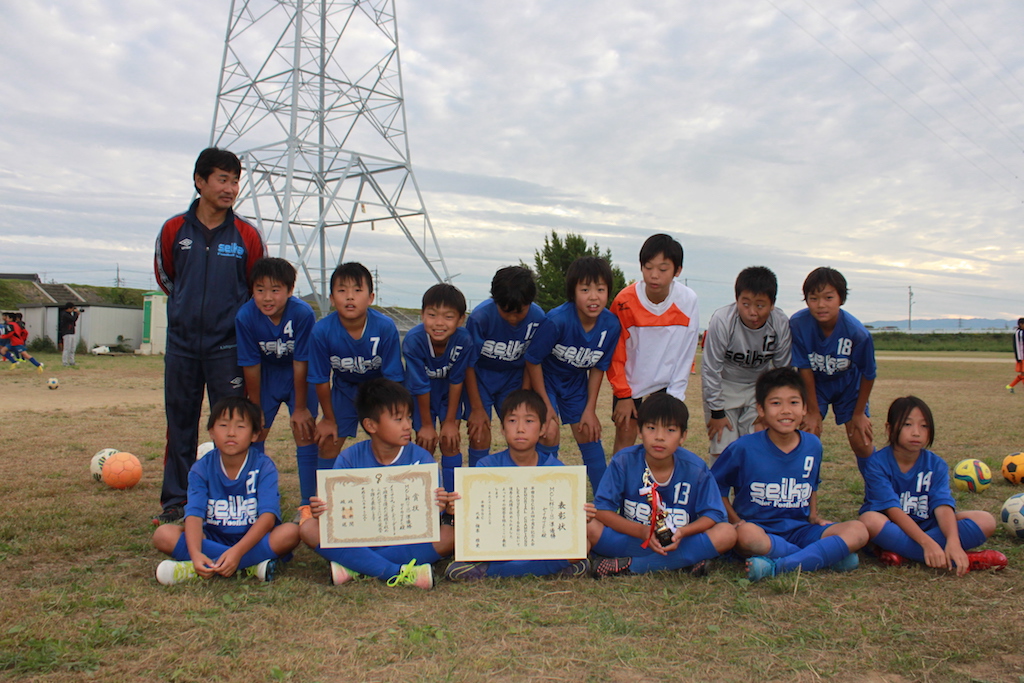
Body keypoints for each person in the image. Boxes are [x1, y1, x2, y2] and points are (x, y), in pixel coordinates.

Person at [153, 147, 267, 525]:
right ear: (200, 181)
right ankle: (177, 501)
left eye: (235, 181)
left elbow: (256, 288)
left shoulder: (247, 235)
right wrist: (186, 310)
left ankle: (234, 500)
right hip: (182, 346)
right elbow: (168, 278)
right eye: (222, 179)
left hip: (228, 347)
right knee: (180, 425)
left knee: (234, 424)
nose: (230, 188)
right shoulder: (174, 229)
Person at [711, 367, 868, 582]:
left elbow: (812, 483)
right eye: (776, 403)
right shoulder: (743, 447)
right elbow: (715, 487)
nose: (786, 410)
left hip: (801, 530)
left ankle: (778, 566)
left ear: (805, 408)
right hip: (760, 530)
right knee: (746, 536)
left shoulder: (812, 444)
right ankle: (824, 557)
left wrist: (813, 515)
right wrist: (735, 520)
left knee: (858, 530)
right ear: (761, 409)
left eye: (794, 402)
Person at [300, 379, 455, 589]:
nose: (407, 425)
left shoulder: (421, 459)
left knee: (449, 536)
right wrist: (322, 510)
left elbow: (430, 518)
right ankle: (394, 572)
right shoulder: (350, 458)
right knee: (309, 528)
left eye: (409, 417)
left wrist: (441, 505)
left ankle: (355, 566)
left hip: (404, 538)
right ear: (371, 425)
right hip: (360, 538)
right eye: (398, 419)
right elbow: (335, 511)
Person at [444, 389, 597, 581]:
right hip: (501, 541)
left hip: (538, 541)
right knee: (463, 542)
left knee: (583, 544)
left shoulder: (556, 471)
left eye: (529, 421)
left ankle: (491, 571)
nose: (520, 429)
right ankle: (546, 569)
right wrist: (457, 508)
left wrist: (580, 515)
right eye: (512, 421)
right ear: (502, 428)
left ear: (543, 429)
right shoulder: (486, 467)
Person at [151, 397, 300, 585]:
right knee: (163, 534)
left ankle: (203, 567)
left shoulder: (264, 466)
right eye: (223, 425)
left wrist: (237, 552)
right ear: (211, 432)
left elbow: (268, 517)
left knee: (291, 532)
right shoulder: (201, 468)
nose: (231, 433)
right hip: (212, 538)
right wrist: (196, 553)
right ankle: (250, 565)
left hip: (253, 539)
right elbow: (194, 515)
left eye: (240, 427)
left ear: (255, 434)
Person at [589, 392, 736, 577]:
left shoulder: (696, 468)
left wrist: (683, 532)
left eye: (670, 430)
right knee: (588, 525)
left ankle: (632, 566)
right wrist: (642, 532)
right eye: (651, 428)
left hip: (679, 542)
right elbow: (602, 509)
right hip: (634, 539)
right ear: (639, 431)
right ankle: (683, 561)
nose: (659, 437)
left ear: (683, 436)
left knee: (727, 533)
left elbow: (714, 513)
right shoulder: (624, 461)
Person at [858, 396, 1007, 575]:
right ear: (889, 429)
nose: (916, 432)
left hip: (930, 525)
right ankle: (960, 559)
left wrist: (953, 541)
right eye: (907, 424)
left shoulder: (936, 464)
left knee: (986, 520)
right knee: (869, 520)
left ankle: (905, 554)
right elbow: (892, 510)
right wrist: (927, 543)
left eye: (924, 426)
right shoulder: (877, 463)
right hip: (895, 526)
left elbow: (942, 505)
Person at [524, 256, 621, 492]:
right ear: (573, 292)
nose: (593, 297)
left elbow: (598, 367)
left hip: (576, 383)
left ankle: (605, 499)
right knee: (548, 432)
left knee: (589, 432)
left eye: (600, 289)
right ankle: (543, 493)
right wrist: (546, 404)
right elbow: (533, 361)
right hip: (546, 380)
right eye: (585, 289)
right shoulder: (557, 320)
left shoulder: (611, 325)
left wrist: (590, 409)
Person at [235, 257, 320, 518]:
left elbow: (302, 361)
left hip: (299, 378)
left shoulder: (302, 313)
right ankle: (253, 500)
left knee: (305, 433)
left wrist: (301, 407)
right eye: (260, 289)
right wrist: (256, 407)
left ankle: (307, 504)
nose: (267, 297)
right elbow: (250, 364)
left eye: (275, 290)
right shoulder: (245, 316)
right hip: (266, 378)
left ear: (290, 290)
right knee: (255, 433)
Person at [607, 234, 699, 454]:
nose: (654, 275)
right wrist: (623, 394)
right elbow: (615, 353)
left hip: (666, 386)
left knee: (662, 444)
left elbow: (686, 353)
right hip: (631, 387)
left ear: (678, 270)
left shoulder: (688, 300)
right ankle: (620, 478)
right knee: (625, 440)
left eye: (663, 269)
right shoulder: (623, 301)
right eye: (648, 267)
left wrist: (676, 396)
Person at [308, 262, 404, 462]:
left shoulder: (384, 327)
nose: (350, 297)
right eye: (342, 290)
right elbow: (321, 379)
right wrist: (328, 418)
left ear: (370, 298)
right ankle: (323, 483)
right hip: (344, 389)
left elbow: (393, 378)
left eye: (357, 290)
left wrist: (393, 415)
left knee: (391, 442)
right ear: (332, 299)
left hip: (379, 390)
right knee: (327, 444)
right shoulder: (322, 330)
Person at [789, 267, 876, 462]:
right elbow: (804, 368)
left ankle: (877, 482)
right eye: (813, 298)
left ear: (841, 299)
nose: (821, 305)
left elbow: (868, 374)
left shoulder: (857, 333)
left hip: (849, 385)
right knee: (807, 436)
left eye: (828, 298)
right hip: (816, 385)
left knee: (861, 441)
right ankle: (804, 481)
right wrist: (812, 411)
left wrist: (859, 413)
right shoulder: (798, 324)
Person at [702, 266, 791, 458]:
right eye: (746, 304)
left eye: (760, 305)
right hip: (725, 385)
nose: (752, 312)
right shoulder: (722, 320)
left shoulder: (780, 322)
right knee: (723, 450)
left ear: (772, 304)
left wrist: (773, 405)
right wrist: (717, 412)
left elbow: (783, 371)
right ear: (737, 300)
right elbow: (711, 369)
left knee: (757, 447)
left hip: (758, 388)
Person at [464, 266, 546, 465]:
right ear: (495, 300)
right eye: (506, 311)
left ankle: (521, 478)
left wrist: (523, 393)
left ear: (530, 302)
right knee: (479, 433)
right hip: (481, 378)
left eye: (519, 312)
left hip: (513, 378)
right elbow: (468, 364)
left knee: (521, 431)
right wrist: (476, 407)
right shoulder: (480, 318)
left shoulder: (538, 318)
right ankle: (479, 477)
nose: (512, 317)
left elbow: (532, 359)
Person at [402, 283, 472, 492]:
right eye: (432, 315)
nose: (439, 323)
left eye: (448, 317)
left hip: (448, 396)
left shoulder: (464, 340)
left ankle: (451, 498)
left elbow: (457, 380)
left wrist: (450, 421)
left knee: (450, 441)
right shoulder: (414, 340)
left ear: (460, 319)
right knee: (425, 443)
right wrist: (426, 424)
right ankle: (421, 496)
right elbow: (419, 385)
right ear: (422, 314)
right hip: (420, 397)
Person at [58, 302, 83, 366]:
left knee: (72, 348)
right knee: (67, 348)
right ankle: (65, 362)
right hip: (67, 333)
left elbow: (73, 320)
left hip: (72, 332)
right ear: (68, 308)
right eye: (72, 308)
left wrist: (76, 314)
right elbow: (72, 319)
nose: (72, 310)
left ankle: (72, 361)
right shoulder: (64, 314)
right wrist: (76, 314)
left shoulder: (69, 314)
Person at [1006, 318, 1024, 393]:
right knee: (1023, 374)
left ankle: (1010, 386)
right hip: (1022, 356)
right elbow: (1017, 345)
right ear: (1021, 324)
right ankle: (1010, 386)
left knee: (1022, 374)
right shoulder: (1019, 333)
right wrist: (1018, 357)